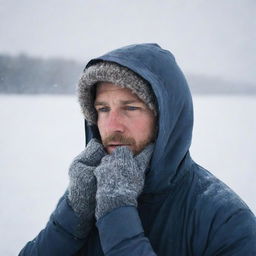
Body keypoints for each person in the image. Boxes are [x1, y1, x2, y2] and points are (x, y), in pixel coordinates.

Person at [19, 43, 256, 256]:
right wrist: (69, 221)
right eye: (102, 109)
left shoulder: (224, 220)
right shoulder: (89, 191)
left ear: (165, 119)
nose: (112, 125)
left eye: (130, 108)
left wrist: (117, 218)